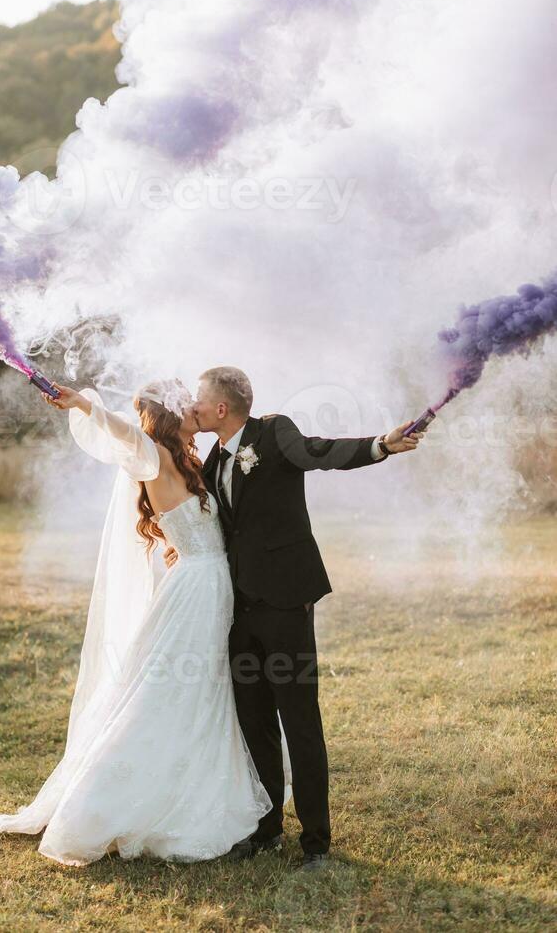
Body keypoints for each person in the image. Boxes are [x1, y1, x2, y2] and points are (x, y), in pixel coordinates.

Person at [0, 378, 271, 865]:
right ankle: (106, 803)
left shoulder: (187, 459)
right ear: (168, 415)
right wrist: (81, 402)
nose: (196, 409)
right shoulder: (155, 456)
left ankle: (190, 781)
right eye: (186, 405)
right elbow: (125, 433)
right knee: (169, 689)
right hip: (195, 591)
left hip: (210, 587)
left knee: (201, 688)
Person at [165, 366, 424, 870]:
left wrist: (381, 445)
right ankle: (267, 829)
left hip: (285, 603)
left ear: (221, 408)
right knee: (254, 721)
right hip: (237, 611)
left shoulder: (274, 431)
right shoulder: (213, 456)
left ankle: (317, 843)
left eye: (197, 400)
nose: (190, 407)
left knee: (300, 722)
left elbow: (320, 452)